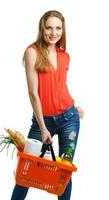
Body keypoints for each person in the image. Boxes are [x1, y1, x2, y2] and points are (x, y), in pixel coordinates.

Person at [11, 10, 84, 200]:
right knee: (25, 173)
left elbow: (59, 86)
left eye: (58, 28)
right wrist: (43, 128)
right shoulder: (32, 52)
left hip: (69, 119)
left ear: (63, 30)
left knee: (64, 172)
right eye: (49, 28)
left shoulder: (64, 55)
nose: (54, 32)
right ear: (42, 28)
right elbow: (33, 93)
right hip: (41, 123)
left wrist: (73, 105)